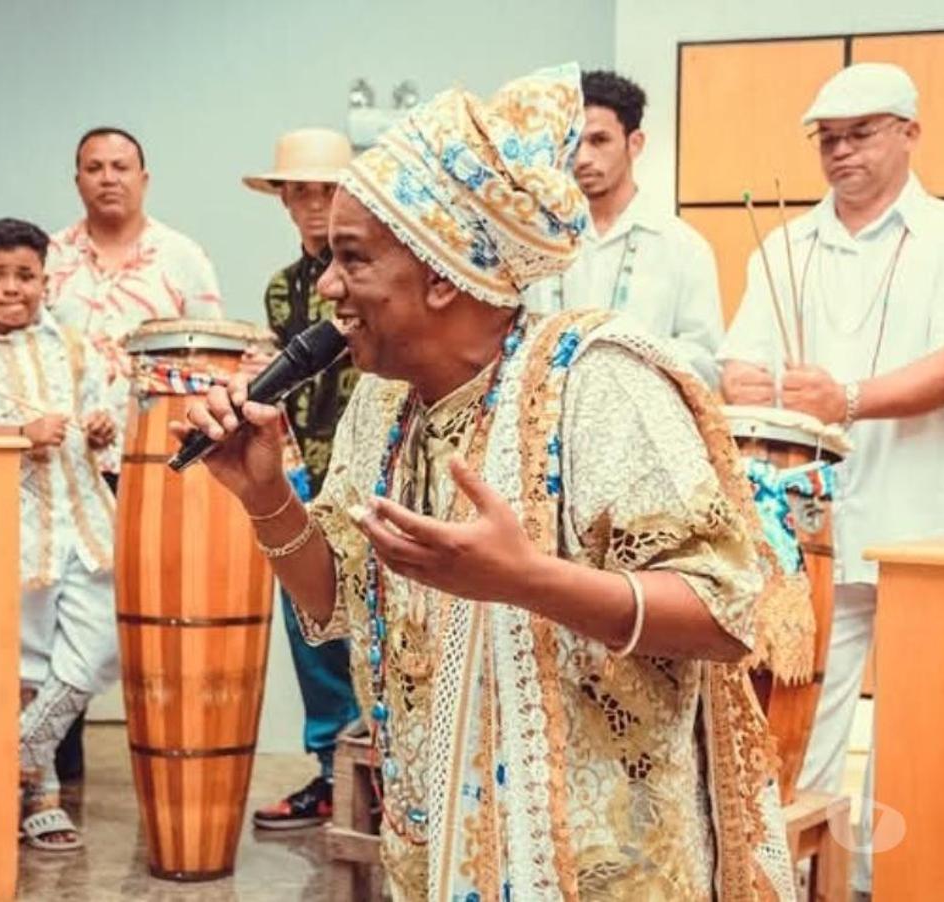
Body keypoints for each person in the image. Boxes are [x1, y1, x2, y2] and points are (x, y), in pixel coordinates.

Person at [179, 64, 794, 900]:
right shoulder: (381, 405)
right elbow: (334, 606)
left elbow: (729, 613)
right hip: (435, 855)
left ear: (442, 274)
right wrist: (265, 495)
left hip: (596, 873)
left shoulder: (597, 381)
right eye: (327, 260)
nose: (326, 287)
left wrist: (528, 581)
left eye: (352, 259)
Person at [719, 62, 944, 895]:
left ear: (910, 134)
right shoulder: (785, 247)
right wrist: (740, 380)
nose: (842, 152)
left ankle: (903, 884)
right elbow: (737, 361)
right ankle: (807, 884)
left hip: (926, 526)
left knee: (923, 732)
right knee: (803, 726)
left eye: (861, 133)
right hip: (810, 537)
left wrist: (849, 397)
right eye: (828, 139)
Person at [45, 126, 223, 779]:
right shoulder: (50, 260)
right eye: (94, 167)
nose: (108, 177)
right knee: (63, 621)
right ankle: (57, 772)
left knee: (162, 616)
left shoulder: (183, 258)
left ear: (144, 177)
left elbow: (215, 364)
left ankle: (173, 766)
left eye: (121, 166)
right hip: (64, 473)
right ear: (78, 179)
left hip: (156, 470)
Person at [0, 218, 118, 851]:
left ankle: (11, 758)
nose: (12, 289)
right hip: (8, 523)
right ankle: (41, 796)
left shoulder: (70, 342)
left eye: (26, 276)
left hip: (85, 515)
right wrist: (19, 434)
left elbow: (105, 414)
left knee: (100, 646)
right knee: (29, 661)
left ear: (46, 277)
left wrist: (100, 427)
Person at [241, 128, 362, 829]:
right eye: (301, 191)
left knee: (383, 627)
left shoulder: (380, 272)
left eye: (326, 189)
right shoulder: (283, 290)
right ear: (284, 199)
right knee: (309, 623)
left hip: (380, 474)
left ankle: (394, 777)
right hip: (311, 473)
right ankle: (328, 771)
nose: (314, 204)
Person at [526, 70, 723, 386]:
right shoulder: (539, 242)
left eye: (599, 140)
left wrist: (628, 362)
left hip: (642, 426)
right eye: (574, 143)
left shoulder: (683, 247)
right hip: (549, 427)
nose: (583, 159)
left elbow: (706, 366)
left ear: (635, 143)